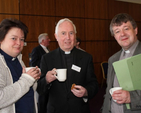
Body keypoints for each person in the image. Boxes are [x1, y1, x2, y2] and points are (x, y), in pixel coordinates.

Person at [37, 18, 98, 113]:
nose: (68, 38)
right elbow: (39, 89)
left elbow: (93, 84)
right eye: (63, 33)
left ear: (75, 36)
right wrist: (46, 80)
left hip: (79, 109)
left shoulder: (86, 58)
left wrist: (86, 92)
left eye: (71, 33)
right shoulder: (47, 58)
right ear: (56, 36)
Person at [102, 13, 141, 113]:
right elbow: (108, 92)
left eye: (126, 28)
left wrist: (131, 97)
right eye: (117, 31)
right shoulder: (113, 59)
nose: (122, 34)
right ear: (115, 37)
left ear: (135, 30)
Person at [0, 18, 41, 113]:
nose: (19, 43)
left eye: (22, 39)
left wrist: (33, 79)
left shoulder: (18, 60)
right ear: (1, 39)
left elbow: (26, 90)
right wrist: (27, 80)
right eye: (14, 38)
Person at [30, 33, 50, 113]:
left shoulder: (48, 50)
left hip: (48, 77)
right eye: (47, 39)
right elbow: (33, 64)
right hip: (41, 78)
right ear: (42, 41)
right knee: (42, 98)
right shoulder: (36, 50)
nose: (49, 40)